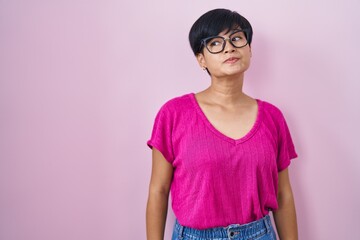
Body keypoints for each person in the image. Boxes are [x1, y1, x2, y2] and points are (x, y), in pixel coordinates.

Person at [146, 8, 298, 240]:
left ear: (249, 49)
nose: (229, 47)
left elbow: (283, 193)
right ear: (201, 59)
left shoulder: (272, 117)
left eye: (237, 38)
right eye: (215, 43)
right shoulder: (173, 114)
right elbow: (158, 190)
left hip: (260, 234)